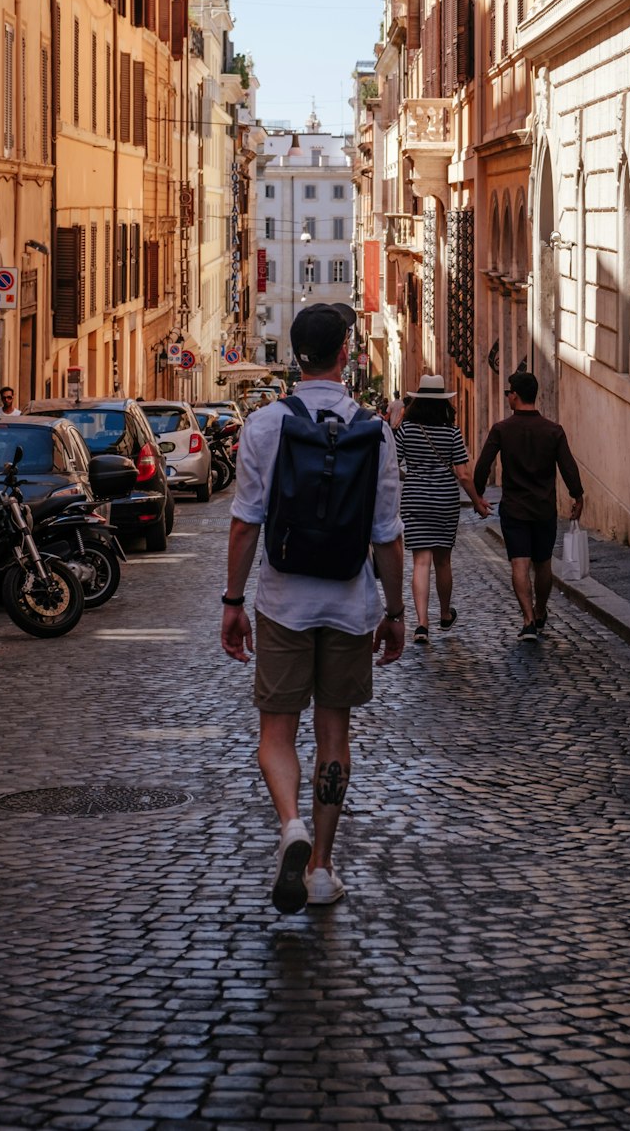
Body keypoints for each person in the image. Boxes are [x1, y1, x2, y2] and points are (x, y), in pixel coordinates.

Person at [221, 301, 405, 914]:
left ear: (293, 355)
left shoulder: (264, 425)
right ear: (346, 352)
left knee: (276, 732)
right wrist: (396, 611)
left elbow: (245, 525)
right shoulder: (375, 430)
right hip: (351, 605)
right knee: (335, 736)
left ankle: (290, 824)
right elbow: (387, 532)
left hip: (282, 603)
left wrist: (232, 601)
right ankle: (323, 867)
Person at [473, 369, 584, 643]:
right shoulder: (553, 431)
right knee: (543, 564)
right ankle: (541, 609)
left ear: (515, 396)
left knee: (519, 564)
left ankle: (528, 621)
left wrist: (478, 496)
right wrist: (577, 496)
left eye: (508, 392)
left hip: (515, 509)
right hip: (544, 509)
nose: (507, 397)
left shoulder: (501, 429)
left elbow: (483, 466)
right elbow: (568, 467)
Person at [394, 374, 490, 644]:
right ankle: (445, 613)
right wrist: (477, 501)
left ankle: (422, 624)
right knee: (443, 561)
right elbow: (463, 474)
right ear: (443, 402)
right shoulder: (452, 432)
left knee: (420, 562)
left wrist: (412, 475)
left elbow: (394, 464)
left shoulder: (407, 429)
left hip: (415, 498)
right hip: (445, 499)